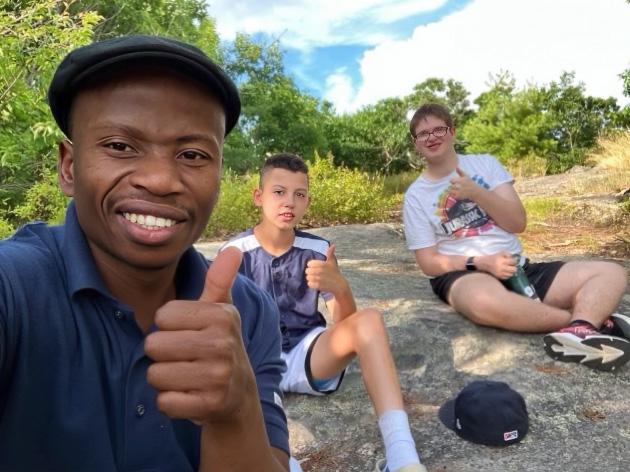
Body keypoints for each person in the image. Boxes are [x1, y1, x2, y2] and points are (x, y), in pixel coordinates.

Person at [0, 35, 292, 471]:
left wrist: (234, 410)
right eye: (119, 146)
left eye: (192, 154)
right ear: (68, 166)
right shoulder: (14, 289)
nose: (159, 180)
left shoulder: (249, 312)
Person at [222, 153, 427, 472]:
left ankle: (403, 456)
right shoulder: (234, 253)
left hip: (309, 353)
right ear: (258, 196)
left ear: (307, 201)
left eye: (299, 194)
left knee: (369, 320)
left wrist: (340, 287)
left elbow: (346, 328)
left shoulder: (319, 249)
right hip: (256, 365)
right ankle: (280, 459)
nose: (289, 201)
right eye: (279, 191)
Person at [402, 102, 630, 372]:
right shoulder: (415, 196)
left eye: (438, 129)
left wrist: (477, 192)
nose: (432, 137)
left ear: (452, 131)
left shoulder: (485, 164)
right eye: (423, 134)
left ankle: (580, 329)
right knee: (483, 304)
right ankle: (583, 325)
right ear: (416, 143)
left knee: (611, 273)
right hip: (464, 273)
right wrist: (480, 262)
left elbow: (517, 222)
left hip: (518, 268)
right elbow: (429, 263)